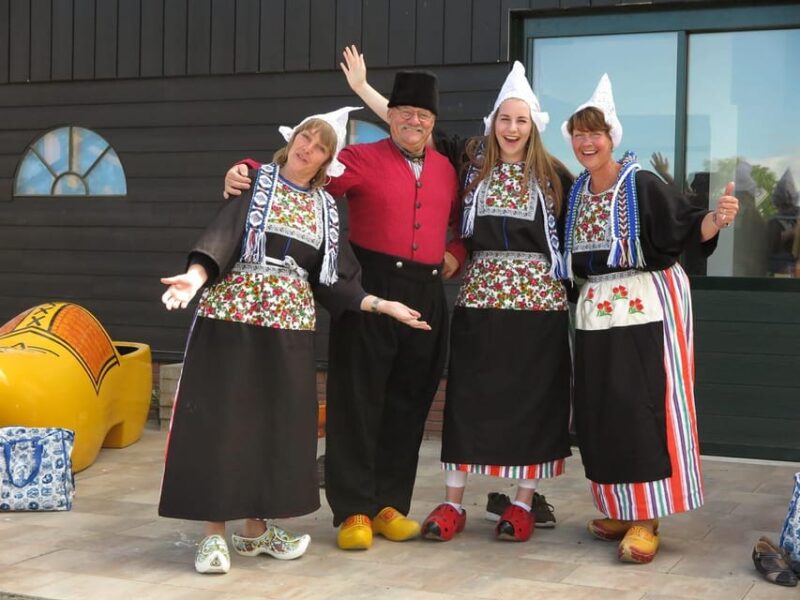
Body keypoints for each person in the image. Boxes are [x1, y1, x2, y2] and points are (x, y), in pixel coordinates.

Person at [158, 107, 432, 574]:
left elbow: (336, 280)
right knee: (224, 420)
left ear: (327, 161)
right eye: (306, 137)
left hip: (290, 326)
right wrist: (194, 276)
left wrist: (381, 305)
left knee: (277, 424)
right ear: (292, 139)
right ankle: (212, 535)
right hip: (233, 318)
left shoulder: (326, 209)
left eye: (321, 146)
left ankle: (255, 530)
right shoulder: (253, 183)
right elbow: (223, 237)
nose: (309, 148)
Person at [223, 71, 465, 551]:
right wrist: (248, 169)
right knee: (357, 400)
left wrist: (455, 252)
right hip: (370, 286)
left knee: (409, 402)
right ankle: (354, 507)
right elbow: (304, 175)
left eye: (423, 115)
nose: (414, 122)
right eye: (405, 113)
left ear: (433, 121)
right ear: (390, 116)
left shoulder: (446, 168)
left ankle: (389, 504)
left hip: (427, 293)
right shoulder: (360, 157)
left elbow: (461, 222)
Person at [338, 49, 570, 539]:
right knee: (455, 399)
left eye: (521, 120)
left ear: (534, 125)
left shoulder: (553, 176)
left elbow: (592, 212)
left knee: (516, 400)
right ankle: (427, 503)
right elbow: (406, 124)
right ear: (492, 123)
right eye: (504, 119)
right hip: (461, 297)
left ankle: (513, 502)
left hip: (522, 304)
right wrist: (362, 90)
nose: (512, 128)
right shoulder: (468, 160)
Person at [561, 74, 739, 563]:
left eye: (595, 133)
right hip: (596, 310)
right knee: (603, 408)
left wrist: (718, 218)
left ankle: (648, 516)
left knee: (643, 404)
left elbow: (687, 226)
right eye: (578, 133)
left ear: (611, 137)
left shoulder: (640, 183)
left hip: (648, 302)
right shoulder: (577, 192)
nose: (587, 142)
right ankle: (622, 508)